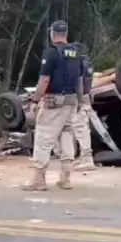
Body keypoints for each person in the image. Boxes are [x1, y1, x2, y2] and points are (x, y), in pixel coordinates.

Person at [23, 20, 84, 191]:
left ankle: (39, 179)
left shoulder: (51, 52)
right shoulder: (75, 52)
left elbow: (44, 79)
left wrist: (35, 100)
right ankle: (66, 178)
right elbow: (80, 80)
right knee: (66, 136)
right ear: (66, 34)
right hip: (71, 101)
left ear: (52, 33)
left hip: (54, 102)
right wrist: (80, 101)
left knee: (43, 138)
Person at [68, 42, 95, 171]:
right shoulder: (87, 63)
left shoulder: (77, 63)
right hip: (86, 96)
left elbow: (78, 83)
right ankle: (82, 156)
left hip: (80, 98)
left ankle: (87, 159)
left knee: (80, 128)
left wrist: (78, 101)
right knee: (82, 128)